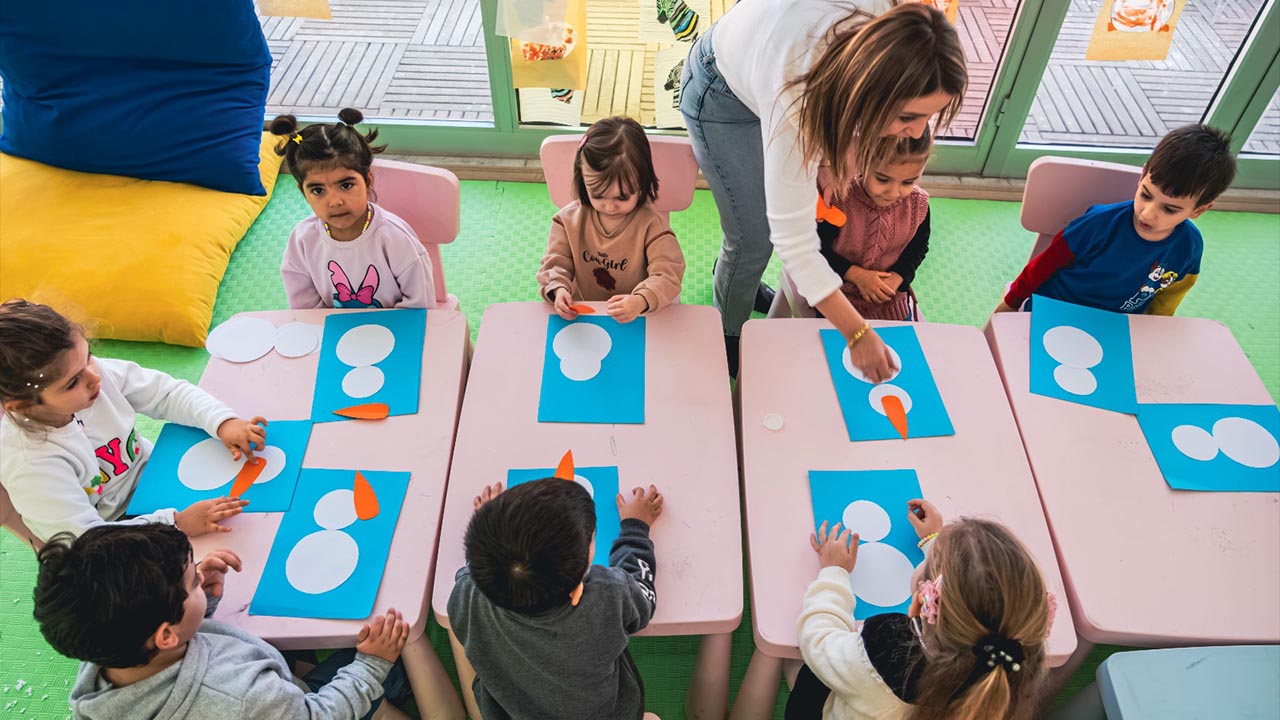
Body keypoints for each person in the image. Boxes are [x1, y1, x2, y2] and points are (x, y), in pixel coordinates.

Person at [679, 1, 966, 376]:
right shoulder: (797, 101)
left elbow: (846, 108)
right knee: (753, 238)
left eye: (927, 116)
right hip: (720, 91)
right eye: (908, 117)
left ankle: (737, 279)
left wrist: (831, 161)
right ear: (870, 89)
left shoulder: (886, 27)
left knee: (757, 236)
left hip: (772, 57)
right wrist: (858, 333)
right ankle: (728, 336)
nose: (916, 132)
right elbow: (795, 242)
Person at [33, 523, 413, 720]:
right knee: (388, 665)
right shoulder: (243, 697)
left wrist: (204, 601)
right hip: (302, 708)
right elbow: (321, 715)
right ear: (165, 634)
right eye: (193, 580)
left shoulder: (110, 644)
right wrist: (371, 665)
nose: (200, 573)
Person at [0, 299, 262, 542]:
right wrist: (176, 523)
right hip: (115, 533)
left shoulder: (90, 374)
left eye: (88, 355)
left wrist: (222, 422)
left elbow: (166, 393)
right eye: (72, 382)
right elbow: (85, 539)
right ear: (23, 405)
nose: (95, 377)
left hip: (155, 478)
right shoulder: (31, 463)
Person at [787, 501, 1056, 720]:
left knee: (788, 654)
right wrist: (933, 541)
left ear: (920, 601)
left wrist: (834, 572)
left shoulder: (885, 657)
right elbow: (978, 594)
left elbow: (819, 642)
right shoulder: (1012, 665)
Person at [447, 478, 663, 720]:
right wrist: (636, 527)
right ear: (578, 587)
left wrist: (495, 529)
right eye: (590, 538)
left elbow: (472, 570)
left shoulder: (466, 595)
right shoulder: (609, 595)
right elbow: (644, 597)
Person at [996, 124, 1237, 315]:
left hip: (1119, 328)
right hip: (1055, 311)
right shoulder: (1097, 224)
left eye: (1170, 209)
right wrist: (1010, 302)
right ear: (1143, 175)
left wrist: (1154, 330)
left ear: (1199, 210)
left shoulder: (1190, 247)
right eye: (1145, 195)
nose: (1147, 214)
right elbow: (1042, 266)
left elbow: (1170, 296)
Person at [274, 109, 437, 310]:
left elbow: (420, 306)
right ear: (303, 192)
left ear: (368, 180)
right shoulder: (302, 241)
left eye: (345, 185)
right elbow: (305, 311)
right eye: (318, 190)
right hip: (333, 332)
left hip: (398, 329)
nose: (334, 202)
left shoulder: (395, 238)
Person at [537, 115, 686, 323]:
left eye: (622, 197)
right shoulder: (566, 221)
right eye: (598, 195)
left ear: (643, 184)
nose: (609, 206)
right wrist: (558, 289)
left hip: (637, 317)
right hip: (583, 314)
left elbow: (668, 274)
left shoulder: (652, 227)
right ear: (583, 181)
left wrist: (640, 300)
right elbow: (555, 264)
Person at [818, 128, 933, 321]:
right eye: (882, 179)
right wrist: (856, 275)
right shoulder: (839, 200)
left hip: (890, 302)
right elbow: (817, 251)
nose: (894, 192)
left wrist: (899, 277)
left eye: (908, 182)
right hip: (834, 296)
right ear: (862, 160)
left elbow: (918, 248)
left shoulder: (918, 205)